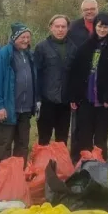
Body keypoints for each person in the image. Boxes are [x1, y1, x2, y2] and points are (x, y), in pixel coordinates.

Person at [68, 13, 108, 160]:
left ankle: (100, 168)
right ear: (95, 26)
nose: (102, 29)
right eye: (100, 26)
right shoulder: (86, 46)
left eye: (105, 26)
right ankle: (84, 168)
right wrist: (75, 96)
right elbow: (76, 72)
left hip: (104, 102)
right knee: (84, 136)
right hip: (86, 100)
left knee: (100, 138)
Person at [0, 23, 39, 167]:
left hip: (25, 109)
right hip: (7, 109)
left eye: (28, 37)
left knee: (22, 145)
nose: (26, 40)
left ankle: (17, 178)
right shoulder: (4, 54)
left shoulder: (29, 54)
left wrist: (36, 101)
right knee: (4, 146)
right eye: (22, 37)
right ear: (15, 38)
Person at [34, 14, 78, 145]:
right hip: (47, 100)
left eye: (63, 27)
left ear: (67, 28)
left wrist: (73, 96)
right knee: (44, 138)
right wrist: (37, 99)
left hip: (64, 101)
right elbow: (37, 74)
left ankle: (60, 164)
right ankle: (42, 165)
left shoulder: (73, 48)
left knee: (62, 139)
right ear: (50, 28)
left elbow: (75, 75)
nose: (60, 30)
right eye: (57, 26)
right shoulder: (41, 47)